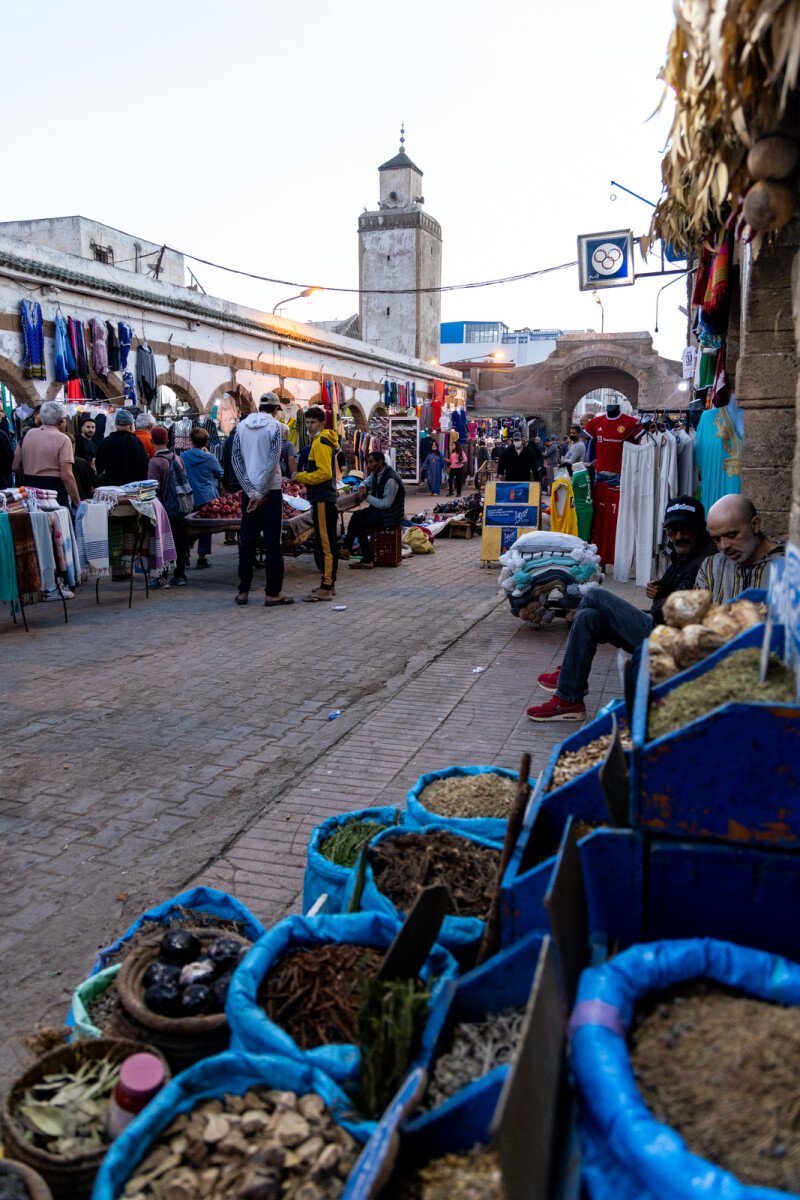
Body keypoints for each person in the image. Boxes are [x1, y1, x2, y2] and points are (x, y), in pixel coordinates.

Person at [526, 496, 717, 722]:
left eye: (685, 530)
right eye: (672, 530)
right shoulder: (685, 554)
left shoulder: (704, 560)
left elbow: (671, 611)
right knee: (589, 616)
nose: (678, 537)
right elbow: (668, 594)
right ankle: (570, 698)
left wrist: (661, 595)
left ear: (699, 528)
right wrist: (662, 589)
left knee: (595, 596)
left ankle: (566, 676)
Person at [231, 403, 291, 606]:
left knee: (246, 541)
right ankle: (273, 593)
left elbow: (236, 460)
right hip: (271, 490)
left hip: (250, 492)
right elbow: (273, 461)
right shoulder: (275, 427)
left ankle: (243, 591)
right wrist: (262, 492)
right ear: (275, 410)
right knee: (272, 542)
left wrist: (251, 492)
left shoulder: (241, 426)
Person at [696, 494, 784, 601]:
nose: (724, 546)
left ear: (755, 525)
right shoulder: (710, 568)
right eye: (716, 539)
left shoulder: (792, 565)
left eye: (731, 535)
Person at [294, 404, 340, 601]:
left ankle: (327, 587)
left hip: (323, 498)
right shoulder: (325, 441)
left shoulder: (320, 442)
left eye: (313, 422)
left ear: (322, 423)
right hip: (325, 498)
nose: (310, 426)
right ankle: (329, 583)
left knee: (326, 544)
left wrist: (302, 476)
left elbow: (324, 473)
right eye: (307, 423)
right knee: (327, 542)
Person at [339, 450, 405, 570]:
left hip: (390, 514)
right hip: (378, 510)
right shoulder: (376, 473)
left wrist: (366, 496)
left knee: (361, 525)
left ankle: (368, 560)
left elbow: (386, 504)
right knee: (356, 516)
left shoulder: (391, 480)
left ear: (380, 462)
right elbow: (366, 482)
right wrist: (363, 487)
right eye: (368, 462)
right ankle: (346, 548)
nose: (368, 465)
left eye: (371, 462)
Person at [11, 400, 80, 508]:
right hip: (53, 490)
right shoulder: (63, 439)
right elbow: (67, 475)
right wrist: (78, 502)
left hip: (30, 488)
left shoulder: (28, 434)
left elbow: (15, 467)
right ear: (61, 421)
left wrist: (32, 470)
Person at [147, 426, 191, 587]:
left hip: (164, 509)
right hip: (181, 506)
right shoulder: (178, 459)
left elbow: (153, 489)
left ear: (152, 441)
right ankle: (180, 574)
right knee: (180, 540)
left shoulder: (155, 462)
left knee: (163, 542)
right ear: (167, 440)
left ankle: (162, 576)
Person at [181, 425, 224, 569]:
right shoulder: (210, 457)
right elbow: (220, 473)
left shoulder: (183, 457)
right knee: (205, 528)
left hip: (189, 496)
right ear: (206, 442)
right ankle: (201, 557)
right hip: (207, 496)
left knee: (187, 527)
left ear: (191, 441)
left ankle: (185, 554)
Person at [95, 409, 150, 486]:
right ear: (131, 425)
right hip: (132, 489)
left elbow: (99, 466)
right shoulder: (135, 441)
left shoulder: (104, 442)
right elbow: (144, 465)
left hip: (110, 489)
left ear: (115, 424)